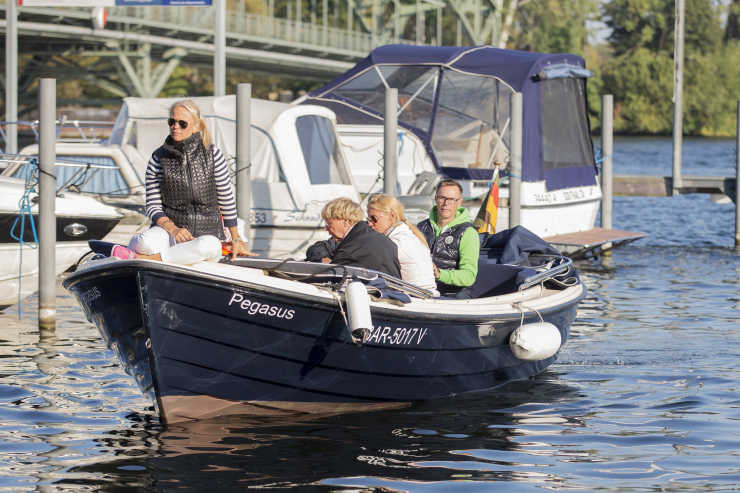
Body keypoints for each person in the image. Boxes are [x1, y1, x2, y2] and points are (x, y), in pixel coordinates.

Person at [127, 99, 253, 261]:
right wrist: (173, 230)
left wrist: (235, 238)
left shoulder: (213, 155)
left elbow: (226, 200)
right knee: (144, 242)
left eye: (182, 123)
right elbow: (152, 206)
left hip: (207, 235)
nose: (175, 126)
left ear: (195, 126)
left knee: (208, 246)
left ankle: (147, 259)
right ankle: (154, 254)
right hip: (170, 232)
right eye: (172, 122)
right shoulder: (158, 158)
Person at [417, 179, 480, 297]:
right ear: (436, 199)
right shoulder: (421, 227)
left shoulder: (468, 233)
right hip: (421, 289)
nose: (446, 203)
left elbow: (469, 276)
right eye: (442, 198)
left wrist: (440, 274)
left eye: (451, 199)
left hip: (452, 294)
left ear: (459, 202)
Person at [367, 194, 438, 294]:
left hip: (416, 296)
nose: (370, 224)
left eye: (374, 219)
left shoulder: (396, 241)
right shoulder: (408, 234)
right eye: (368, 219)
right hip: (425, 292)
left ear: (391, 216)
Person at [319, 197, 401, 278]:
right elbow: (321, 246)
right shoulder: (368, 236)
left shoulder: (352, 247)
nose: (326, 228)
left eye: (329, 224)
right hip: (393, 289)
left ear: (345, 222)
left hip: (376, 289)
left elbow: (330, 275)